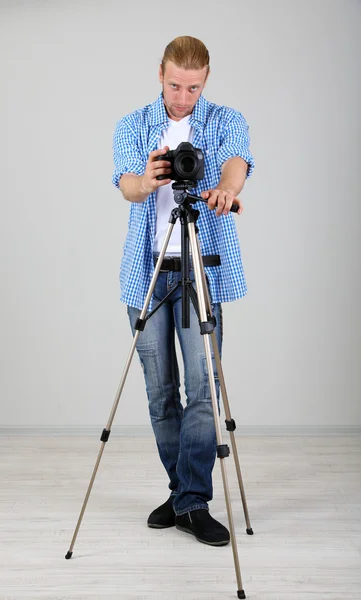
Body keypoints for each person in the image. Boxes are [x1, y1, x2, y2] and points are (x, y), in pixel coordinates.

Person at [112, 36, 254, 546]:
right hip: (147, 271)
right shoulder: (134, 124)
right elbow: (125, 184)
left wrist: (228, 190)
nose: (182, 95)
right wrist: (147, 181)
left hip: (201, 269)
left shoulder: (225, 119)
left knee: (202, 387)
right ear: (160, 74)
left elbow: (237, 162)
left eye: (193, 87)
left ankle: (193, 501)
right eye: (175, 84)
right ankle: (182, 493)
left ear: (206, 79)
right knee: (158, 392)